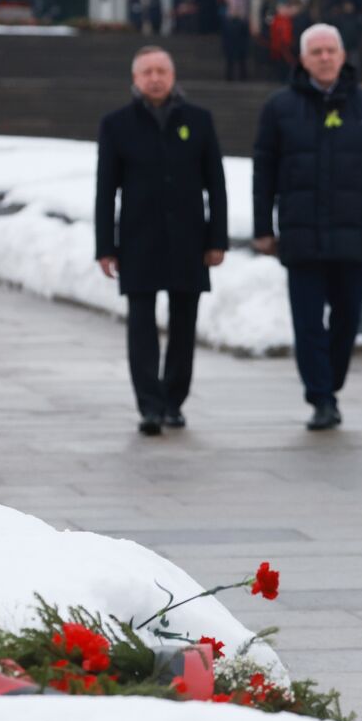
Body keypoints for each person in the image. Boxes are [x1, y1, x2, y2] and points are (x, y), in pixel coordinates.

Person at [252, 24, 362, 431]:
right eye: (315, 51)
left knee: (348, 316)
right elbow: (263, 172)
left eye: (330, 50)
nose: (323, 57)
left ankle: (330, 381)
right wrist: (263, 226)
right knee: (307, 320)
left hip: (355, 232)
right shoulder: (279, 107)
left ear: (341, 55)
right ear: (302, 59)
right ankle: (320, 397)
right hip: (301, 235)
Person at [95, 47, 228, 436]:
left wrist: (216, 238)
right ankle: (149, 405)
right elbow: (106, 190)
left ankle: (174, 400)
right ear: (134, 79)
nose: (155, 78)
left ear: (173, 76)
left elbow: (216, 186)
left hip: (189, 239)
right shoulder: (117, 124)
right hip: (139, 239)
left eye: (162, 71)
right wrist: (106, 246)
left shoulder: (198, 121)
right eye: (147, 72)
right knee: (141, 324)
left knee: (184, 323)